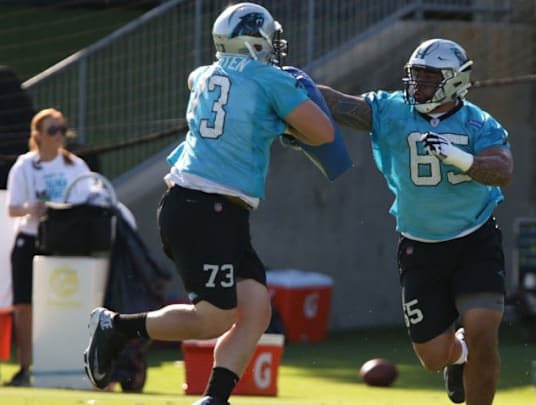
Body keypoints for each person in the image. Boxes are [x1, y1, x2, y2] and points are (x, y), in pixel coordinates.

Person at [82, 3, 334, 405]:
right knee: (213, 320)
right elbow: (321, 133)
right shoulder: (269, 79)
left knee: (255, 313)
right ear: (255, 40)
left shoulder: (206, 74)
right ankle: (116, 326)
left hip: (213, 209)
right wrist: (295, 98)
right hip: (206, 207)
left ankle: (215, 399)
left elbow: (195, 77)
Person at [318, 38, 513, 405]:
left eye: (428, 77)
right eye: (415, 76)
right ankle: (457, 356)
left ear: (455, 80)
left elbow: (502, 171)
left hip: (475, 239)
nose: (417, 85)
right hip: (420, 246)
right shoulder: (392, 109)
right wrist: (290, 82)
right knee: (433, 357)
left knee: (483, 334)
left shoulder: (479, 123)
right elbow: (340, 104)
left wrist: (462, 159)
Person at [4, 108, 91, 386]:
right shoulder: (25, 165)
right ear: (38, 135)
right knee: (24, 306)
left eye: (62, 130)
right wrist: (33, 208)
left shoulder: (75, 165)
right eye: (52, 130)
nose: (58, 136)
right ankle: (26, 367)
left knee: (62, 304)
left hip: (64, 242)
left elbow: (89, 198)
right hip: (30, 238)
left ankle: (64, 365)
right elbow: (13, 208)